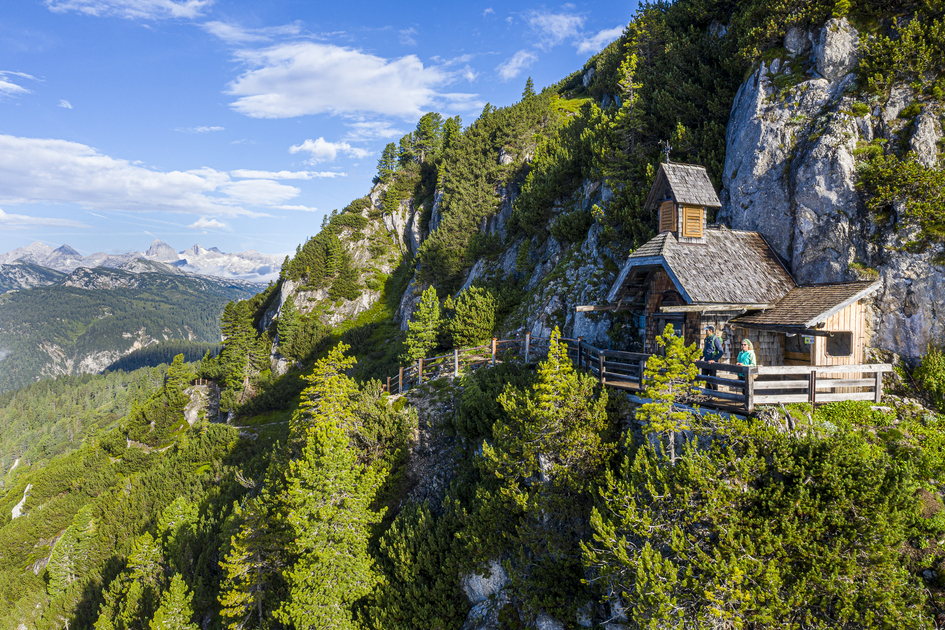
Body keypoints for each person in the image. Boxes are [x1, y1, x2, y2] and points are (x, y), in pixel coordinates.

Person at [701, 325, 724, 390]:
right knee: (704, 378)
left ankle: (715, 393)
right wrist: (699, 358)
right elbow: (704, 350)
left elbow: (721, 352)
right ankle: (708, 393)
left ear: (711, 331)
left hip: (712, 362)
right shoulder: (706, 339)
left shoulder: (715, 339)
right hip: (706, 361)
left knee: (713, 379)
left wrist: (714, 360)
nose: (705, 331)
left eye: (707, 330)